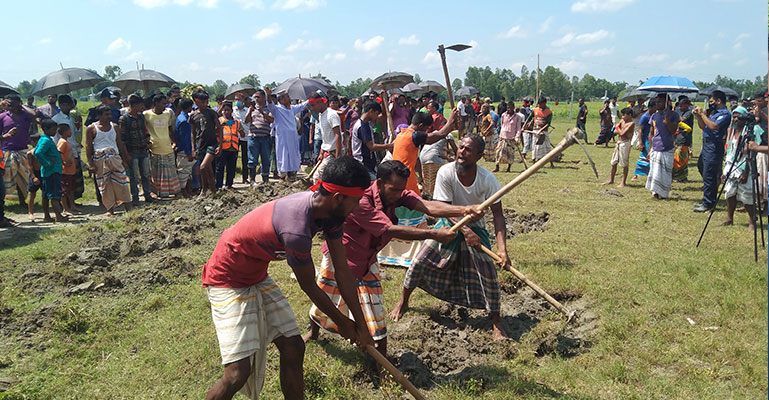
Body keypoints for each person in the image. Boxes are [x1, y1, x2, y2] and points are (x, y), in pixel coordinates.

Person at [202, 156, 375, 400]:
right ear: (338, 198)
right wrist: (343, 324)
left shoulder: (331, 215)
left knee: (293, 347)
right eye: (356, 201)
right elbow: (309, 287)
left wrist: (361, 324)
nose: (357, 207)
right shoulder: (296, 229)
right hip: (227, 277)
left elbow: (343, 272)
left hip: (256, 273)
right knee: (238, 373)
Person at [304, 160, 482, 367]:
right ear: (379, 183)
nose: (399, 194)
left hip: (367, 260)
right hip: (340, 257)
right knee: (324, 297)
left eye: (401, 189)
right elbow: (388, 229)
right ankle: (314, 332)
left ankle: (382, 364)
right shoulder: (360, 201)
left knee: (376, 310)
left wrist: (464, 210)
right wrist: (433, 234)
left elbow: (429, 206)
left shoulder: (398, 193)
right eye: (394, 189)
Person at [390, 134, 511, 341]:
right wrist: (464, 231)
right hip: (448, 223)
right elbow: (441, 208)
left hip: (477, 229)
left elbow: (498, 216)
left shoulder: (488, 179)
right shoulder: (446, 171)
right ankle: (403, 301)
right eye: (461, 147)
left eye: (468, 149)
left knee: (488, 275)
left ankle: (496, 323)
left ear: (480, 155)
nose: (461, 152)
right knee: (419, 261)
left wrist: (502, 251)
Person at [378, 109, 459, 268]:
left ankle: (391, 254)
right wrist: (450, 122)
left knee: (398, 215)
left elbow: (412, 156)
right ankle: (410, 255)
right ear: (421, 126)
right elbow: (435, 137)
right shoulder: (414, 135)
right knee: (415, 215)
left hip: (398, 179)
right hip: (404, 184)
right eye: (426, 129)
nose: (426, 132)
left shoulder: (402, 134)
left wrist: (420, 173)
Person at [720, 106, 762, 230]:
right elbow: (729, 151)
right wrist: (725, 170)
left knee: (747, 196)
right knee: (730, 193)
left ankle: (752, 222)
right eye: (734, 116)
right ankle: (729, 218)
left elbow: (753, 152)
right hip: (730, 165)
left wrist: (746, 171)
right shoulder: (732, 130)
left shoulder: (752, 130)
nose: (736, 119)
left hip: (745, 166)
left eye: (739, 116)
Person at [86, 105, 132, 215]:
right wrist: (91, 164)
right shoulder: (91, 128)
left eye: (110, 114)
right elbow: (88, 146)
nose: (109, 117)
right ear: (99, 115)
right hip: (100, 159)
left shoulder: (114, 126)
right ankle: (110, 209)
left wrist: (125, 159)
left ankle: (128, 208)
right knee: (105, 184)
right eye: (106, 115)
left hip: (114, 157)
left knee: (122, 182)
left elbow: (119, 143)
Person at [693, 90, 731, 212]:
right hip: (706, 145)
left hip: (714, 147)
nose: (710, 104)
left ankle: (708, 203)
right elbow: (703, 126)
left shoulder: (725, 114)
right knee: (702, 167)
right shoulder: (714, 113)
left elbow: (714, 126)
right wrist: (699, 116)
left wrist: (703, 114)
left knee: (709, 174)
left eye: (712, 101)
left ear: (719, 101)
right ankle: (710, 196)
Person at [264, 87, 307, 182]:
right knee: (283, 155)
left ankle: (291, 174)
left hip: (293, 138)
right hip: (282, 139)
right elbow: (270, 105)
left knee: (293, 155)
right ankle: (282, 176)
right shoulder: (277, 109)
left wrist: (312, 99)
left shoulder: (292, 109)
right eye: (288, 97)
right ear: (282, 99)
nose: (290, 99)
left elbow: (303, 105)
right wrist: (268, 95)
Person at [0, 95, 36, 206]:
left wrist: (21, 106)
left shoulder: (25, 115)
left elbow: (34, 114)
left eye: (13, 104)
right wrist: (7, 135)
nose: (12, 107)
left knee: (23, 177)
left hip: (22, 150)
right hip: (7, 150)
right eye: (9, 104)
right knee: (8, 178)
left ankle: (22, 201)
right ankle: (3, 202)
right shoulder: (2, 116)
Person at [51, 95, 85, 206]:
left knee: (75, 178)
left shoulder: (72, 117)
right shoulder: (56, 119)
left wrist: (79, 124)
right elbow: (55, 138)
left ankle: (73, 200)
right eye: (66, 105)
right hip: (64, 152)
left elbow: (75, 133)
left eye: (70, 104)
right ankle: (65, 203)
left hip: (74, 150)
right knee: (66, 179)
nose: (68, 107)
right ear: (61, 105)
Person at [120, 94, 153, 205]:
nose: (142, 107)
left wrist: (148, 142)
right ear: (133, 105)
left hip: (143, 149)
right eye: (140, 105)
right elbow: (122, 138)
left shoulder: (141, 117)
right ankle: (135, 198)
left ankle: (147, 195)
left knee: (145, 174)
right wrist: (126, 155)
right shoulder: (124, 119)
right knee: (134, 176)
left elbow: (145, 130)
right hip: (132, 151)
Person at [646, 94, 680, 200]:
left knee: (665, 172)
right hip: (656, 147)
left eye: (660, 101)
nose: (657, 104)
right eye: (657, 102)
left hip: (668, 147)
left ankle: (664, 194)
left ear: (666, 103)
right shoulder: (654, 116)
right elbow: (651, 133)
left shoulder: (674, 115)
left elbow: (673, 131)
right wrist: (650, 149)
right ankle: (655, 192)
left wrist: (667, 121)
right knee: (655, 171)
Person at [32, 119, 66, 222]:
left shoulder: (43, 139)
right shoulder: (46, 140)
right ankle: (59, 216)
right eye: (53, 129)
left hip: (47, 171)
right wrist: (47, 163)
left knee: (46, 195)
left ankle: (47, 216)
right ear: (46, 129)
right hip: (52, 171)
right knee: (55, 195)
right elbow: (37, 153)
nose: (55, 132)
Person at [420, 101, 456, 195]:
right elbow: (456, 151)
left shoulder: (433, 135)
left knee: (428, 181)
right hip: (431, 157)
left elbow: (436, 152)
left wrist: (448, 157)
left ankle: (428, 194)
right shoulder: (448, 135)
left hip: (422, 157)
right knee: (442, 177)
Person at [190, 90, 222, 197]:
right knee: (208, 170)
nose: (204, 104)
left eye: (206, 102)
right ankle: (213, 191)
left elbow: (220, 128)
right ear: (196, 102)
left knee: (203, 167)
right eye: (202, 102)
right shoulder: (193, 115)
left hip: (212, 144)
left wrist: (220, 145)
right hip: (200, 145)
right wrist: (193, 149)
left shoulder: (211, 113)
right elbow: (193, 133)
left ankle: (204, 190)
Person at [350, 102, 392, 180]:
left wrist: (383, 101)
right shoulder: (362, 126)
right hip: (363, 163)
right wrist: (390, 145)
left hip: (369, 163)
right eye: (376, 114)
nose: (377, 116)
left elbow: (384, 115)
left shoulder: (367, 123)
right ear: (371, 111)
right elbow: (371, 147)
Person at [310, 91, 342, 182]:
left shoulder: (331, 115)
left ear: (320, 102)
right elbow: (325, 136)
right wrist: (321, 152)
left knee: (317, 177)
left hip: (333, 152)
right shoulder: (321, 115)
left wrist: (338, 156)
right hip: (327, 152)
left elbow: (338, 135)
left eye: (313, 105)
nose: (312, 108)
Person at [244, 90, 274, 185]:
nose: (256, 99)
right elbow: (246, 120)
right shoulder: (252, 108)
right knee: (252, 159)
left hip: (265, 137)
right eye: (255, 97)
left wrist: (262, 113)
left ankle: (265, 179)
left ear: (264, 98)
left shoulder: (269, 108)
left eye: (258, 97)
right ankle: (252, 179)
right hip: (253, 137)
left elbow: (271, 119)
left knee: (265, 158)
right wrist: (249, 111)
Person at [603, 108, 635, 188]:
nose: (623, 116)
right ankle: (611, 180)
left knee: (624, 163)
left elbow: (622, 132)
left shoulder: (631, 123)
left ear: (629, 115)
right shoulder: (622, 121)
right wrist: (619, 130)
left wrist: (619, 129)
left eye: (624, 114)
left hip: (625, 143)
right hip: (619, 142)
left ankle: (623, 182)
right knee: (614, 162)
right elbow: (615, 131)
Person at [215, 102, 243, 189]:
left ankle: (229, 185)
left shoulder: (236, 122)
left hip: (233, 148)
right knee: (220, 168)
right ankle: (219, 186)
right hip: (222, 148)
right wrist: (220, 126)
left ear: (231, 111)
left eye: (228, 110)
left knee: (231, 168)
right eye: (225, 110)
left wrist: (241, 131)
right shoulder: (219, 120)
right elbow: (215, 131)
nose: (226, 112)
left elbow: (242, 134)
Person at [524, 97, 554, 166]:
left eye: (541, 104)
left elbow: (548, 124)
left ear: (544, 103)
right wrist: (523, 127)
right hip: (535, 131)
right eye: (539, 104)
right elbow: (529, 118)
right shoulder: (535, 110)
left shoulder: (549, 112)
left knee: (547, 148)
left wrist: (541, 130)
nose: (540, 106)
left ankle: (551, 163)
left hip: (543, 132)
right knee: (534, 147)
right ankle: (534, 162)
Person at [175, 98, 195, 198]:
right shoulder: (184, 121)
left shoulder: (181, 117)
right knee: (184, 171)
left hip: (183, 148)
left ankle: (187, 189)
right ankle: (183, 191)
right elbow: (185, 138)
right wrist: (189, 151)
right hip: (184, 149)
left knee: (187, 171)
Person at [632, 100, 656, 181]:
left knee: (649, 158)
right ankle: (635, 175)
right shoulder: (645, 117)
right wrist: (641, 143)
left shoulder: (654, 116)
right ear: (650, 107)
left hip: (653, 140)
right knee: (644, 158)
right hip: (646, 140)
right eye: (655, 107)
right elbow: (640, 130)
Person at [56, 124, 76, 215]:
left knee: (70, 189)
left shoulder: (66, 142)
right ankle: (65, 208)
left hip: (71, 170)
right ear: (65, 131)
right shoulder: (62, 142)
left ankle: (72, 205)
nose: (71, 132)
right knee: (64, 190)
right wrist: (63, 162)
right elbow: (58, 152)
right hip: (65, 171)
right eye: (69, 130)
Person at [672, 98, 694, 182]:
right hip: (678, 137)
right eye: (679, 106)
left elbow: (681, 120)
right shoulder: (680, 112)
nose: (679, 107)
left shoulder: (688, 113)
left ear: (686, 106)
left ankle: (680, 177)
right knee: (679, 157)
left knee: (680, 158)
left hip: (684, 138)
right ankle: (681, 176)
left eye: (681, 106)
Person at [495, 103, 521, 173]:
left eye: (510, 107)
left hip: (511, 138)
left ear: (514, 108)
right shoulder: (503, 115)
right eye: (508, 107)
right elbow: (502, 125)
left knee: (510, 153)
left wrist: (516, 138)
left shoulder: (517, 117)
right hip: (502, 136)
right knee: (498, 152)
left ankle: (508, 168)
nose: (509, 109)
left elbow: (518, 128)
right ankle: (497, 167)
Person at [232, 92, 251, 184]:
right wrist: (239, 129)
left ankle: (245, 177)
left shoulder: (248, 110)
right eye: (235, 99)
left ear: (243, 100)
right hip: (235, 138)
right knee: (233, 158)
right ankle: (231, 178)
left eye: (239, 99)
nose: (237, 101)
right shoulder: (232, 111)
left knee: (245, 158)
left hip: (246, 137)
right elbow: (229, 122)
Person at [26, 134, 42, 221]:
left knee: (46, 194)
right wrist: (33, 176)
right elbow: (30, 166)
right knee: (32, 194)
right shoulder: (30, 153)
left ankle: (47, 212)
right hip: (35, 173)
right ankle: (30, 212)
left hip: (43, 172)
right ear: (33, 142)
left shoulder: (43, 151)